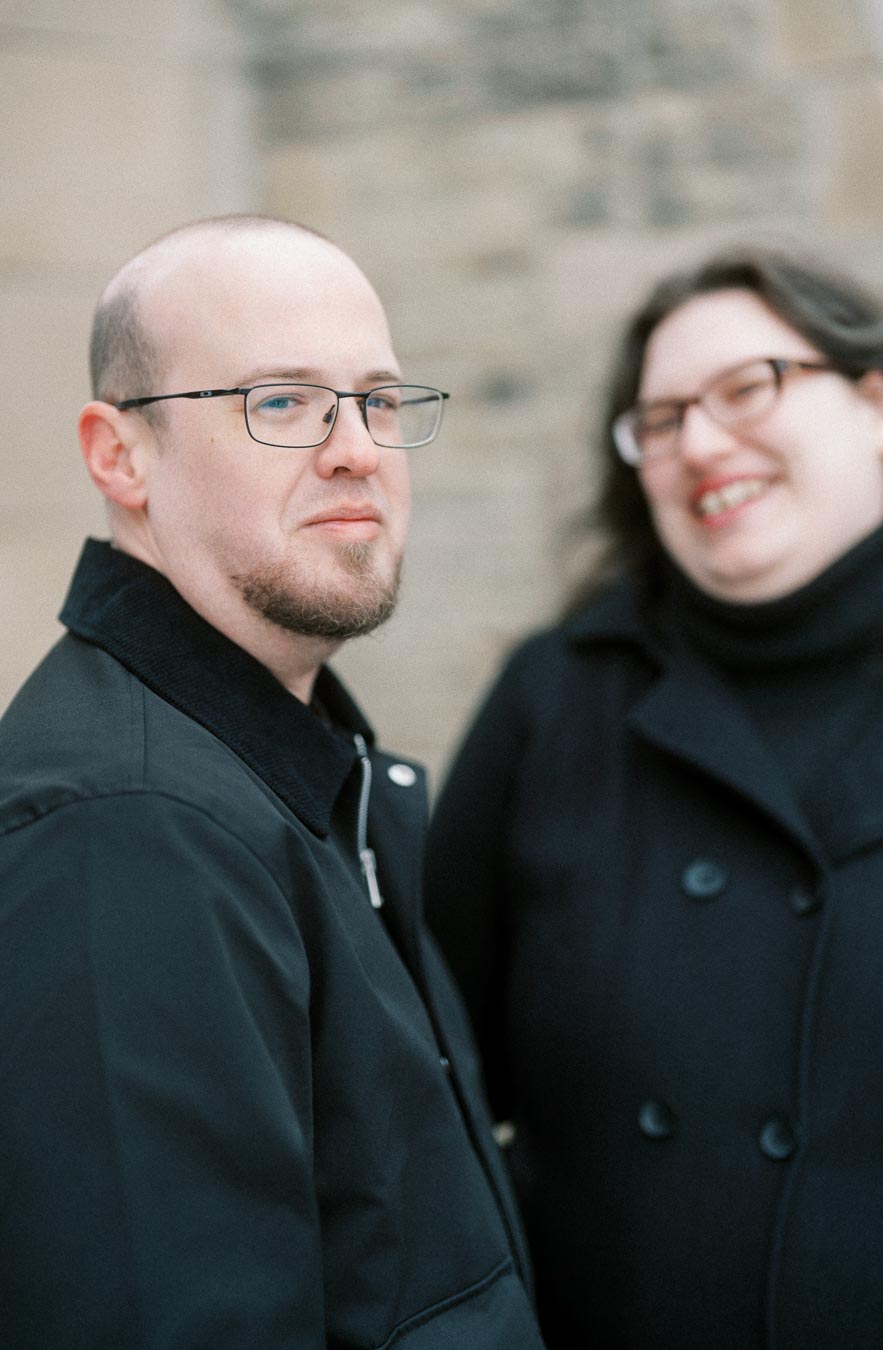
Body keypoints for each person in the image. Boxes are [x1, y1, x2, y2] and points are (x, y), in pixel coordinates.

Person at [0, 215, 546, 1350]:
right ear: (120, 454)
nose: (355, 450)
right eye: (282, 403)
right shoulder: (131, 829)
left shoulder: (306, 763)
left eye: (380, 401)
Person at [424, 246, 883, 1349]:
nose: (701, 443)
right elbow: (425, 1085)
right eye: (663, 418)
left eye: (748, 389)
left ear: (880, 406)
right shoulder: (554, 700)